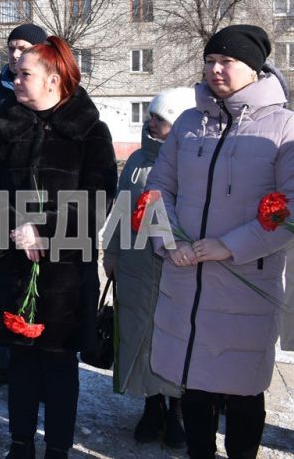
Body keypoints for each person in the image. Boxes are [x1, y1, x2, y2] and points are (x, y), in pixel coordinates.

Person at [145, 25, 294, 459]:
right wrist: (170, 240)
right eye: (210, 61)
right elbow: (157, 188)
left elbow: (290, 208)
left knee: (243, 388)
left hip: (243, 280)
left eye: (226, 62)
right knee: (193, 383)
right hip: (185, 275)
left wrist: (230, 246)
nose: (215, 70)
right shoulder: (190, 123)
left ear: (252, 69)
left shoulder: (283, 128)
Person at [0, 36, 117, 459]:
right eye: (14, 73)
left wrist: (47, 233)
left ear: (54, 79)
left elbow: (99, 198)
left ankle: (57, 449)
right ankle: (19, 446)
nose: (15, 78)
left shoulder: (89, 129)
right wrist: (13, 230)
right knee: (19, 364)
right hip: (12, 266)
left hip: (66, 275)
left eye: (24, 74)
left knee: (58, 366)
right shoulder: (6, 125)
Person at [104, 87, 192, 447]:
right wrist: (110, 252)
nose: (151, 123)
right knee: (140, 337)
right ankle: (152, 406)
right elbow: (121, 211)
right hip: (137, 266)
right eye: (152, 116)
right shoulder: (139, 161)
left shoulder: (194, 162)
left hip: (178, 268)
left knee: (176, 338)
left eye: (160, 118)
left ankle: (179, 411)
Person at [0, 22, 48, 395]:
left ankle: (39, 371)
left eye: (24, 48)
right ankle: (1, 363)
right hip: (0, 208)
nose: (16, 55)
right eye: (12, 47)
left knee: (38, 293)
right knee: (3, 291)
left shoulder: (55, 91)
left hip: (43, 212)